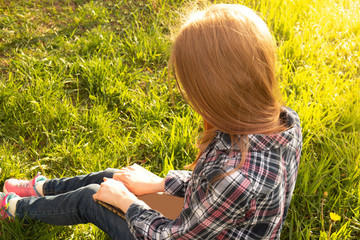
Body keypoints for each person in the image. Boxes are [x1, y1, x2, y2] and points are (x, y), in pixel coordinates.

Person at [0, 4, 302, 240]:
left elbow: (170, 236)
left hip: (182, 234)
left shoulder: (237, 179)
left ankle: (15, 208)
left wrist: (127, 204)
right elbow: (209, 190)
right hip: (210, 225)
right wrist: (157, 184)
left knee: (90, 198)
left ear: (214, 91)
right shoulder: (281, 121)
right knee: (114, 176)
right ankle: (42, 189)